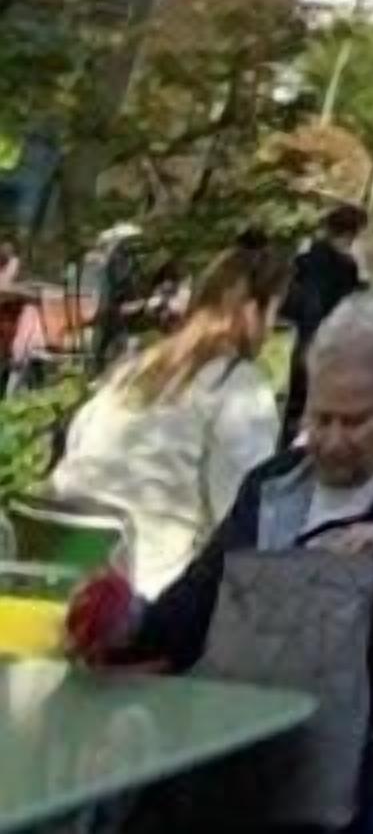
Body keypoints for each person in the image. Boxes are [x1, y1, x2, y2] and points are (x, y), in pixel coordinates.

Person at [74, 295, 373, 834]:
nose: (328, 441)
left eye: (353, 422)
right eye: (318, 417)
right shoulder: (274, 486)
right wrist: (128, 620)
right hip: (248, 749)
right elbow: (197, 606)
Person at [50, 241, 292, 597]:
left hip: (61, 562)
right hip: (145, 593)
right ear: (252, 311)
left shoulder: (136, 369)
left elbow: (76, 449)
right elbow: (242, 518)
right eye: (274, 311)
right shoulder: (239, 388)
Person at [280, 201, 366, 442]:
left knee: (295, 405)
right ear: (351, 233)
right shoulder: (346, 268)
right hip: (330, 343)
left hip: (304, 339)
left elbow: (290, 302)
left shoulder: (305, 261)